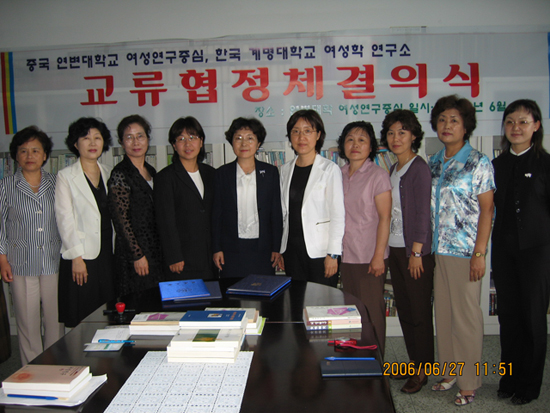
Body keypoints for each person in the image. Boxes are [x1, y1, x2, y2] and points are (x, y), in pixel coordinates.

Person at [429, 95, 495, 406]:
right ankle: (450, 371)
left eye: (454, 120)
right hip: (438, 250)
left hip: (466, 252)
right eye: (442, 119)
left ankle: (469, 382)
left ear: (466, 125)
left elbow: (487, 210)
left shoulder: (478, 162)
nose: (447, 125)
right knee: (443, 314)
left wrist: (480, 254)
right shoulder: (434, 161)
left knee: (466, 318)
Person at [492, 99, 549, 405]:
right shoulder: (497, 165)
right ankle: (509, 379)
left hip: (537, 253)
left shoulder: (545, 164)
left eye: (523, 122)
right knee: (509, 317)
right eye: (510, 122)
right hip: (504, 252)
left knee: (533, 319)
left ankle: (529, 385)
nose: (516, 128)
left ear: (536, 126)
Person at [381, 110, 435, 392]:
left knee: (419, 312)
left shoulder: (418, 167)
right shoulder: (393, 169)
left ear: (413, 135)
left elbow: (424, 212)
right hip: (395, 250)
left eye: (402, 132)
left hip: (414, 253)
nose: (396, 138)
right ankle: (414, 362)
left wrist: (416, 252)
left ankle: (423, 370)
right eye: (391, 133)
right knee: (404, 309)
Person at [0, 126, 63, 364]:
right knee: (27, 321)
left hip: (53, 260)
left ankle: (56, 364)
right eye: (23, 151)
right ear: (16, 155)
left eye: (35, 150)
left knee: (55, 319)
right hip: (20, 262)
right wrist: (2, 258)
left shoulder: (57, 183)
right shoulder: (6, 186)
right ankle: (32, 368)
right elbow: (0, 224)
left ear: (45, 155)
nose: (29, 156)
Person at [338, 121, 391, 357]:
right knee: (351, 312)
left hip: (370, 256)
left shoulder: (378, 175)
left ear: (371, 147)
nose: (355, 145)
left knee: (371, 312)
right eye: (350, 139)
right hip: (346, 254)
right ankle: (357, 360)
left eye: (362, 140)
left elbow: (385, 217)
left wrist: (378, 256)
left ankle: (376, 362)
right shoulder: (337, 174)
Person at [55, 117, 115, 328]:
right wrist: (76, 257)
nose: (92, 143)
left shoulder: (109, 172)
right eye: (86, 138)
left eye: (97, 138)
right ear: (75, 143)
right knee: (83, 315)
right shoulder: (66, 176)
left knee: (106, 312)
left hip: (107, 253)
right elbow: (64, 218)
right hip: (81, 255)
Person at [279, 109, 345, 287]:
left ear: (318, 135)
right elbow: (285, 214)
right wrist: (282, 249)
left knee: (322, 301)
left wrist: (333, 254)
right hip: (292, 251)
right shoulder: (285, 170)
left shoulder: (330, 169)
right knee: (297, 299)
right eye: (296, 131)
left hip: (320, 253)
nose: (301, 137)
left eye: (307, 131)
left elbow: (338, 215)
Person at [212, 117, 283, 278]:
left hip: (263, 248)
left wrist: (276, 247)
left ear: (258, 144)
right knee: (233, 290)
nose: (244, 143)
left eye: (250, 138)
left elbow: (276, 213)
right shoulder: (222, 174)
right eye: (238, 138)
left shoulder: (270, 172)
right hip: (231, 249)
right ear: (232, 143)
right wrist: (217, 248)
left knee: (263, 290)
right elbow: (217, 214)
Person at [108, 115, 164, 297]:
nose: (135, 142)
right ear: (121, 143)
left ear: (147, 139)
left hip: (155, 250)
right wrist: (137, 255)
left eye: (140, 136)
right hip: (134, 254)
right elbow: (121, 220)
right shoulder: (120, 174)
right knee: (138, 301)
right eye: (129, 137)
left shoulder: (152, 171)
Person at [155, 117, 216, 281]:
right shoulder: (165, 178)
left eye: (192, 137)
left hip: (209, 257)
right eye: (181, 139)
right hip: (181, 260)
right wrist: (174, 256)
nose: (187, 144)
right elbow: (165, 221)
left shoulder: (211, 174)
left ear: (201, 142)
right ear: (174, 145)